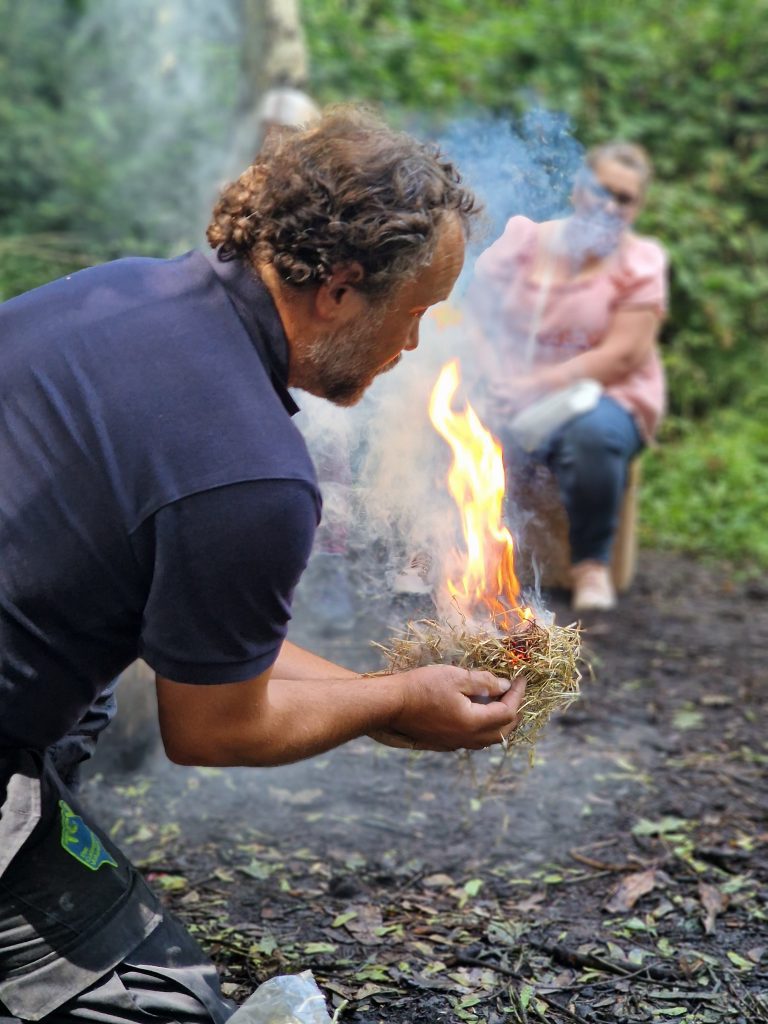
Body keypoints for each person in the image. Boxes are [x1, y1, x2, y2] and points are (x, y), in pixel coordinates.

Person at [0, 106, 526, 1023]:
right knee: (164, 1005)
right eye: (414, 315)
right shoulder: (252, 469)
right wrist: (394, 703)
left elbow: (214, 645)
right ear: (339, 289)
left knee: (85, 705)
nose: (412, 348)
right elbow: (213, 728)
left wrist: (375, 689)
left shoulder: (126, 291)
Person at [468, 142, 668, 611]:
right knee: (455, 417)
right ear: (579, 189)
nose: (609, 204)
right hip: (508, 384)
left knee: (593, 434)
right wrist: (496, 378)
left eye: (624, 198)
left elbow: (623, 354)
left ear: (637, 208)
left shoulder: (641, 262)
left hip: (600, 393)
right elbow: (475, 314)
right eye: (602, 190)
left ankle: (590, 565)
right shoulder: (525, 240)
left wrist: (533, 387)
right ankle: (447, 552)